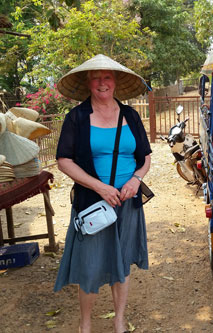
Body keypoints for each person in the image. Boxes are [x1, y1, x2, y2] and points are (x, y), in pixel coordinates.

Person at [53, 54, 151, 333]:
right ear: (87, 82)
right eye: (95, 77)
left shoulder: (130, 115)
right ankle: (85, 325)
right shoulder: (77, 118)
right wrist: (99, 187)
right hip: (92, 204)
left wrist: (135, 179)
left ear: (116, 82)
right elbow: (64, 160)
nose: (102, 82)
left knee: (122, 262)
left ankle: (119, 319)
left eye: (107, 76)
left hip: (128, 203)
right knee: (91, 266)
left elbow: (145, 158)